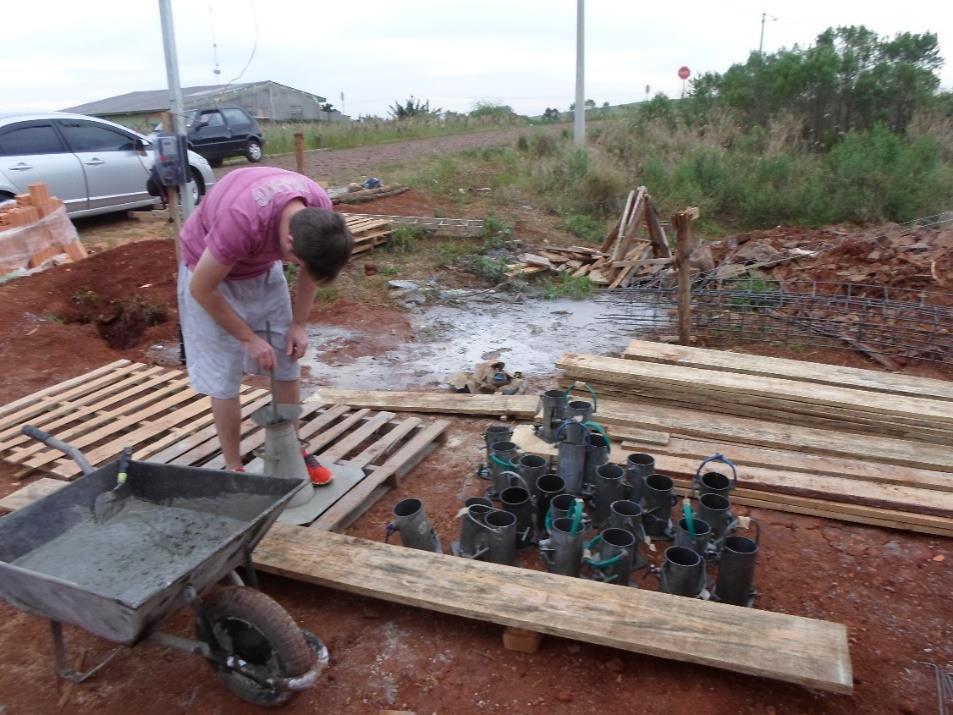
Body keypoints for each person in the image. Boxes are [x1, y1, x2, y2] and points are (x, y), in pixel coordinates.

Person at [177, 166, 353, 479]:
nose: (300, 267)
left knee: (287, 358)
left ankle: (292, 449)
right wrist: (247, 338)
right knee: (224, 374)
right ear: (288, 242)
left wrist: (299, 324)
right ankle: (235, 467)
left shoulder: (318, 210)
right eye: (297, 262)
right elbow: (201, 288)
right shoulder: (242, 219)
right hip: (208, 275)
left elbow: (309, 269)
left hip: (258, 268)